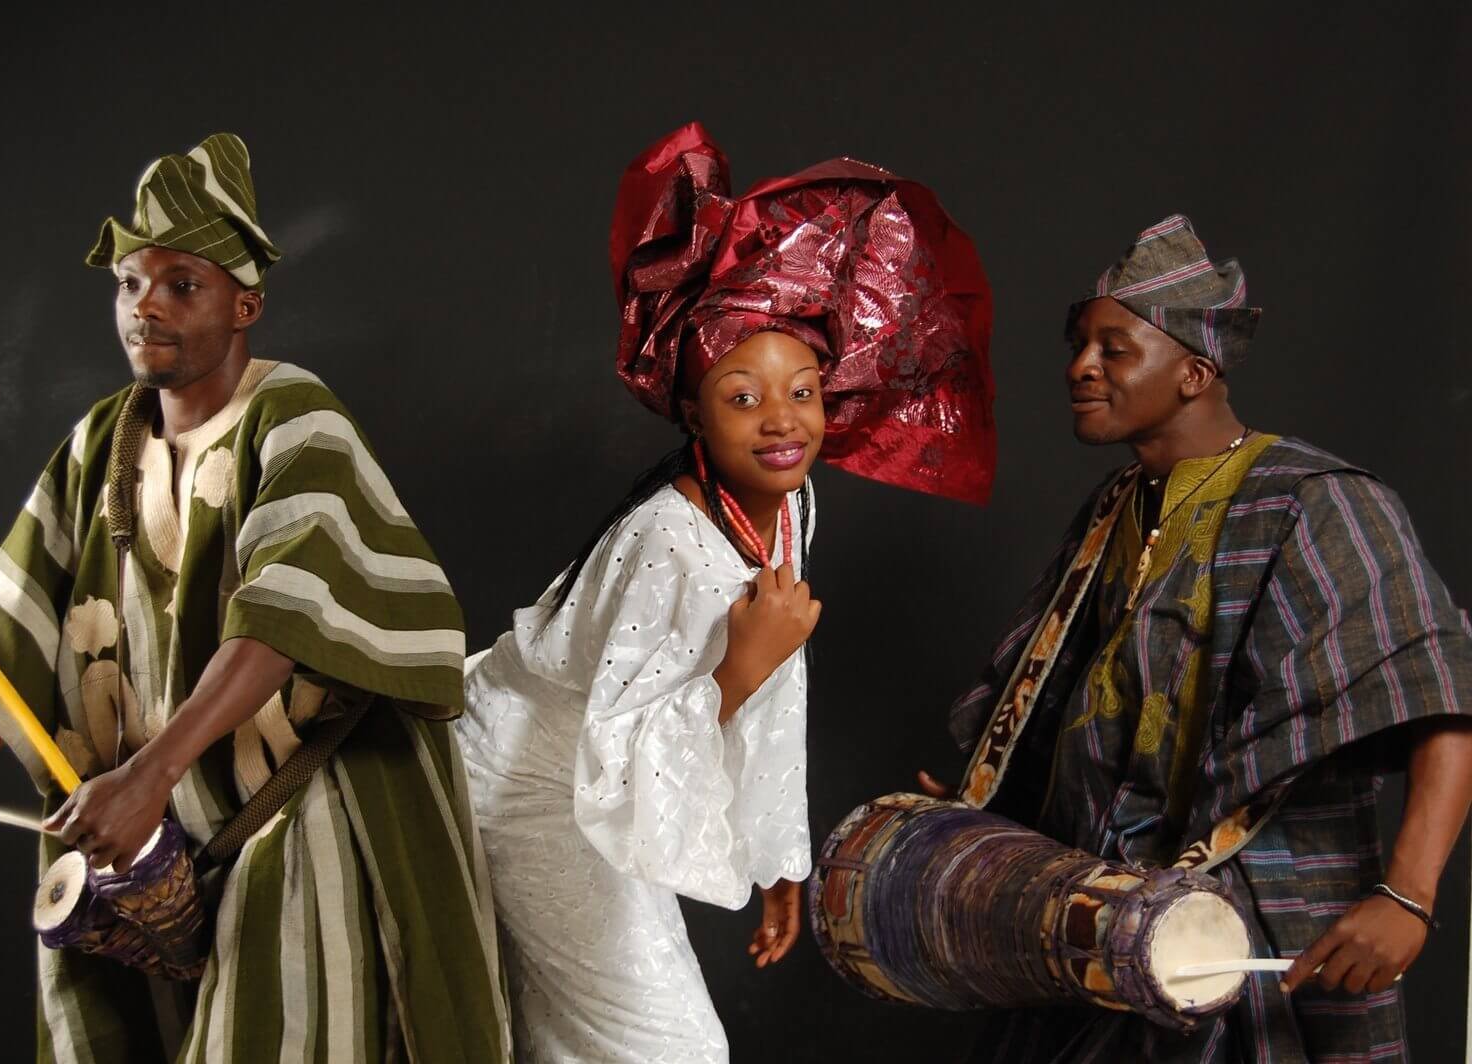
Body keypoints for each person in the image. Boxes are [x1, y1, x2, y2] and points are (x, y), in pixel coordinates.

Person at [0, 133, 510, 1063]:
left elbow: (283, 622)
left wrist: (152, 774)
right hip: (153, 827)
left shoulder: (294, 418)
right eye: (130, 284)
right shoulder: (101, 442)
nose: (146, 307)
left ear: (245, 302)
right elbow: (23, 636)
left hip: (295, 806)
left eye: (182, 284)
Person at [456, 121, 995, 1062]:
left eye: (806, 391)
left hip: (597, 774)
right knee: (664, 1048)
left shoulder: (788, 502)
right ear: (694, 410)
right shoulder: (669, 540)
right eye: (744, 396)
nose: (783, 422)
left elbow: (776, 684)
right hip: (530, 780)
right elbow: (625, 744)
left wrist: (776, 856)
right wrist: (740, 668)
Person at [923, 214, 1472, 1062]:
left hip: (1258, 945)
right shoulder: (1112, 511)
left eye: (1112, 348)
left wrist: (1407, 896)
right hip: (1111, 937)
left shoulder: (1316, 501)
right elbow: (1068, 707)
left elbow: (1443, 695)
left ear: (1194, 372)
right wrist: (984, 809)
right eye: (1079, 345)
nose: (1080, 368)